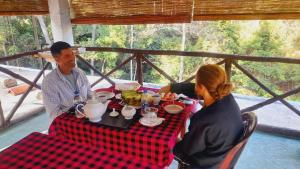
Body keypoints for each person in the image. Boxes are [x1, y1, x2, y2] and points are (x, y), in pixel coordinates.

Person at [160, 64, 244, 169]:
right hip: (222, 155)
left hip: (205, 164)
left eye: (196, 84)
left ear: (202, 87)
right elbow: (197, 90)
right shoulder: (226, 96)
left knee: (166, 142)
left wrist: (175, 140)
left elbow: (186, 150)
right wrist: (172, 87)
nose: (194, 86)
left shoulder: (203, 119)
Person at [42, 41, 92, 121]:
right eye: (67, 56)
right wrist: (76, 114)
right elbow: (54, 114)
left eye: (72, 54)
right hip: (67, 123)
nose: (72, 58)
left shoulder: (80, 73)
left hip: (87, 116)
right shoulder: (49, 82)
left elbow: (90, 96)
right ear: (57, 59)